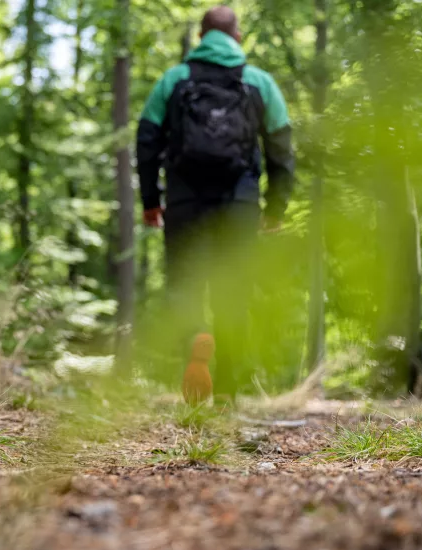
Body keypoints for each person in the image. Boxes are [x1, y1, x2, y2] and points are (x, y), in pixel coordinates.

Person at [136, 6, 295, 405]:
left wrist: (151, 200)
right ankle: (226, 390)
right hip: (238, 203)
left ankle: (195, 340)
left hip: (186, 199)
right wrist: (276, 207)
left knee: (184, 285)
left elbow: (147, 140)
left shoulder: (174, 80)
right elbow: (281, 148)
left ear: (201, 37)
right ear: (236, 36)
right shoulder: (259, 82)